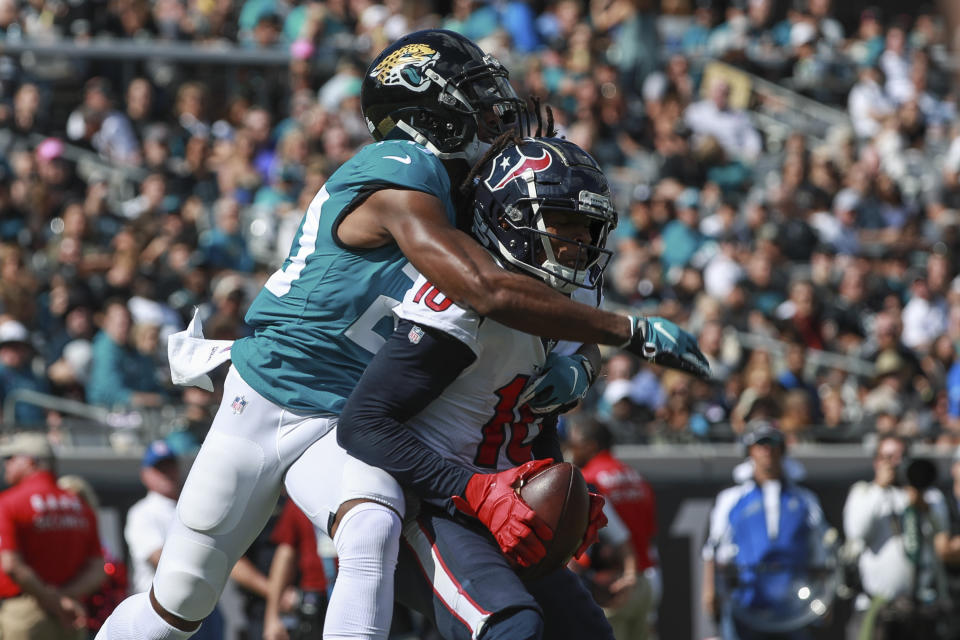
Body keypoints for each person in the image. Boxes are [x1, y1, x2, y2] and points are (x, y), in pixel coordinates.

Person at [98, 29, 708, 640]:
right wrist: (630, 331)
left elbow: (548, 290)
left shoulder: (467, 191)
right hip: (267, 394)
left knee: (371, 529)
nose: (496, 112)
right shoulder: (403, 170)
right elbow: (488, 289)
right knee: (176, 606)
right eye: (475, 99)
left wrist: (586, 362)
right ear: (427, 114)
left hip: (345, 416)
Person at [331, 136, 631, 640]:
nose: (580, 241)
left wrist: (559, 490)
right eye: (564, 222)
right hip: (428, 502)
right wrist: (475, 491)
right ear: (509, 220)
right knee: (511, 627)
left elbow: (527, 416)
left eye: (588, 226)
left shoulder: (564, 288)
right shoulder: (463, 300)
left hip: (500, 500)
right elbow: (362, 425)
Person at [702, 424, 829, 640]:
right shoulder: (732, 499)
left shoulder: (805, 500)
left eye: (773, 444)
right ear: (750, 450)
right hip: (747, 603)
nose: (767, 451)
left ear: (782, 450)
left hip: (794, 607)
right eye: (760, 444)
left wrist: (824, 598)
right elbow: (714, 550)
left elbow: (821, 551)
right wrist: (710, 591)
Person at [843, 435, 950, 640]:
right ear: (876, 461)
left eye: (901, 457)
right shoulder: (864, 493)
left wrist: (920, 503)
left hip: (919, 608)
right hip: (877, 606)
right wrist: (879, 488)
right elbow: (856, 531)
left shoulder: (929, 496)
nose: (896, 463)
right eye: (888, 457)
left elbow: (941, 533)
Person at [0, 432, 105, 640]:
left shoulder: (10, 502)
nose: (6, 465)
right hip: (72, 613)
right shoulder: (81, 505)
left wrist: (52, 600)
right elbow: (97, 569)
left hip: (25, 614)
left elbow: (10, 564)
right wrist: (65, 598)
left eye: (11, 459)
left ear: (30, 461)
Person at [565, 419, 660, 640]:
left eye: (573, 443)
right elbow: (649, 530)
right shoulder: (636, 477)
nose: (569, 449)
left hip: (609, 588)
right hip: (642, 580)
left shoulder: (587, 481)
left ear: (589, 445)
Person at [124, 441, 224, 640]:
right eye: (160, 468)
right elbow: (160, 559)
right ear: (146, 475)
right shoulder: (142, 512)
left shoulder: (193, 509)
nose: (167, 473)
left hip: (202, 607)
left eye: (170, 466)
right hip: (163, 611)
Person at [263, 499, 329, 640]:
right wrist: (272, 617)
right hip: (314, 599)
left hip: (355, 594)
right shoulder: (301, 501)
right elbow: (285, 555)